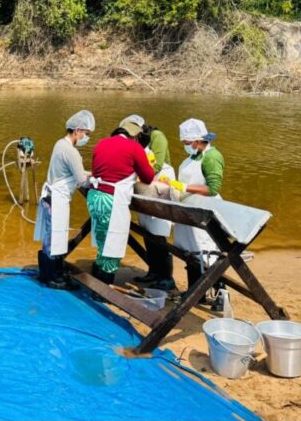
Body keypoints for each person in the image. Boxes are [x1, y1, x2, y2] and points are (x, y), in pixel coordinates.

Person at [159, 118, 226, 308]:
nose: (185, 146)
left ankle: (221, 294)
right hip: (188, 210)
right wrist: (171, 185)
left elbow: (213, 189)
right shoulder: (191, 158)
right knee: (190, 251)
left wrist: (184, 186)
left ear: (198, 140)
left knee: (208, 253)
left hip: (205, 210)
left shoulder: (212, 157)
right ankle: (196, 292)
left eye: (187, 143)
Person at [86, 119, 156, 285]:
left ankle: (96, 280)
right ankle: (103, 289)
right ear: (134, 136)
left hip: (95, 197)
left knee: (103, 240)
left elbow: (98, 171)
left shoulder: (101, 144)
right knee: (113, 245)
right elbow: (148, 177)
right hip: (112, 201)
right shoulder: (134, 147)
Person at [34, 110, 95, 290]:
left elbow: (72, 172)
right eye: (86, 133)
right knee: (56, 238)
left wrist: (88, 173)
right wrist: (96, 178)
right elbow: (81, 180)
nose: (86, 137)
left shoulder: (59, 144)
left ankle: (47, 273)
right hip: (57, 199)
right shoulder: (71, 151)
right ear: (77, 130)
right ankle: (53, 277)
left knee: (49, 238)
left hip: (49, 197)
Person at [121, 115, 178, 292]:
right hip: (145, 186)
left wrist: (138, 175)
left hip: (160, 185)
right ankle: (153, 272)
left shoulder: (157, 137)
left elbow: (158, 165)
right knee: (147, 231)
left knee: (159, 232)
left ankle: (166, 278)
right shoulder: (136, 141)